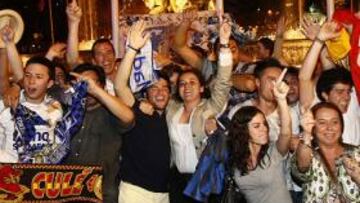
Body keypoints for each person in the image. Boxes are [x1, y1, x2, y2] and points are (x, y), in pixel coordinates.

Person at [167, 21, 233, 203]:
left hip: (203, 180)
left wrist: (225, 45)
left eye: (192, 83)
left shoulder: (209, 108)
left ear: (202, 88)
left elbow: (223, 83)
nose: (186, 87)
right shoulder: (171, 109)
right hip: (177, 180)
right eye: (182, 83)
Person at [115, 20, 171, 203]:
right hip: (135, 191)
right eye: (154, 88)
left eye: (165, 88)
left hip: (164, 192)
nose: (160, 92)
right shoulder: (138, 109)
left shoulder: (174, 114)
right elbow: (120, 86)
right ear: (146, 93)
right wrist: (132, 49)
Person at [63, 63, 134, 203]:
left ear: (102, 86)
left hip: (102, 192)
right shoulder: (64, 112)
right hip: (66, 190)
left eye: (90, 84)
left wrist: (96, 90)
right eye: (81, 84)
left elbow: (128, 117)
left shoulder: (111, 111)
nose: (86, 89)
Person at [228, 70, 292, 203]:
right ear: (243, 131)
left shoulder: (274, 152)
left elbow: (286, 131)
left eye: (264, 124)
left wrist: (281, 100)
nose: (264, 129)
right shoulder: (235, 157)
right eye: (256, 126)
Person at [299, 20, 360, 146]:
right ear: (325, 95)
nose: (346, 97)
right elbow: (304, 78)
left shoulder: (352, 101)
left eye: (348, 91)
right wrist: (319, 40)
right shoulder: (315, 107)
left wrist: (322, 40)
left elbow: (329, 68)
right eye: (339, 92)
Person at [292, 102, 360, 202]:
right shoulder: (306, 154)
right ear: (313, 127)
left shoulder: (356, 153)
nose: (329, 127)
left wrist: (358, 177)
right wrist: (306, 133)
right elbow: (301, 168)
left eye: (335, 122)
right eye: (322, 122)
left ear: (341, 126)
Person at [66, 0, 117, 95]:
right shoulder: (92, 78)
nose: (105, 58)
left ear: (115, 56)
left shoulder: (126, 73)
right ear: (93, 61)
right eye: (99, 54)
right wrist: (74, 23)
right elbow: (72, 60)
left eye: (108, 52)